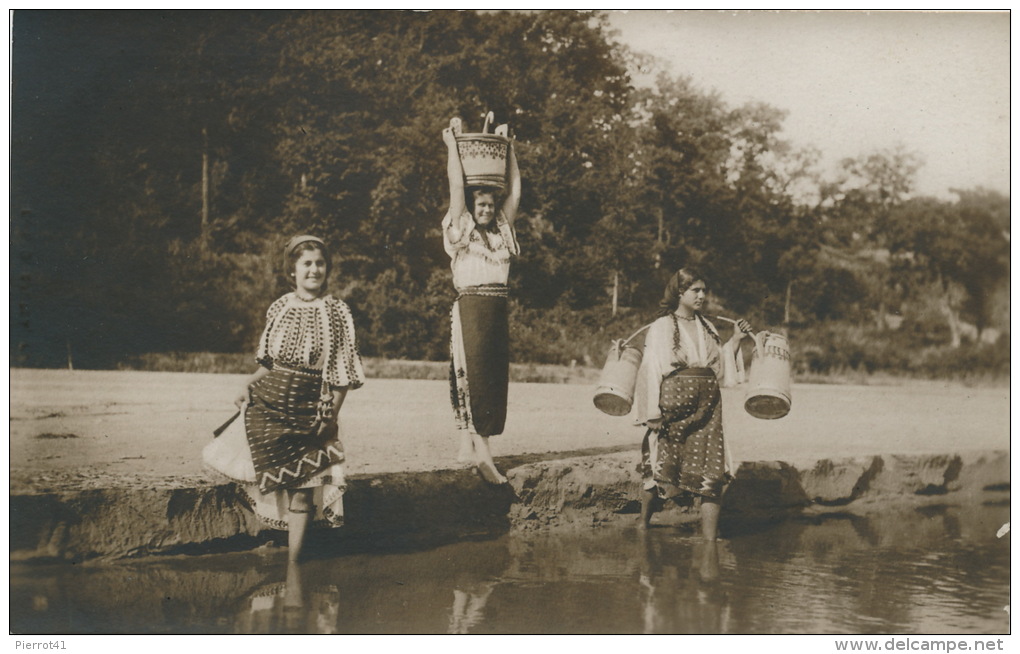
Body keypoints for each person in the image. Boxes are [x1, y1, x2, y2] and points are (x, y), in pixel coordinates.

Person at [203, 235, 365, 561]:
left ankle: (294, 570)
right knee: (255, 472)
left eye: (320, 263)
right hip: (270, 403)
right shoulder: (279, 307)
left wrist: (329, 418)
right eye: (307, 263)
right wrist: (246, 384)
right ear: (292, 270)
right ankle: (270, 547)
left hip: (311, 410)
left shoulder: (337, 312)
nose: (314, 270)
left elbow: (342, 376)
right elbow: (267, 363)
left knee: (304, 492)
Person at [632, 268, 752, 539]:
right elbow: (650, 369)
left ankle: (710, 540)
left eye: (704, 290)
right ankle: (643, 524)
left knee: (713, 472)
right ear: (679, 292)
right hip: (673, 409)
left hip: (708, 410)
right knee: (661, 463)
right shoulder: (662, 326)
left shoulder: (707, 326)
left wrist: (735, 339)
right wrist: (652, 413)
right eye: (695, 290)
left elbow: (719, 367)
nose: (702, 295)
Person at [441, 116, 521, 484]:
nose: (487, 210)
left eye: (490, 205)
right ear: (473, 209)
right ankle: (482, 452)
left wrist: (512, 153)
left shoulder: (501, 233)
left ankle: (470, 444)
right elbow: (457, 186)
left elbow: (515, 193)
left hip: (496, 310)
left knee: (490, 378)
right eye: (482, 206)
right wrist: (453, 146)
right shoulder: (463, 229)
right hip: (472, 308)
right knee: (471, 376)